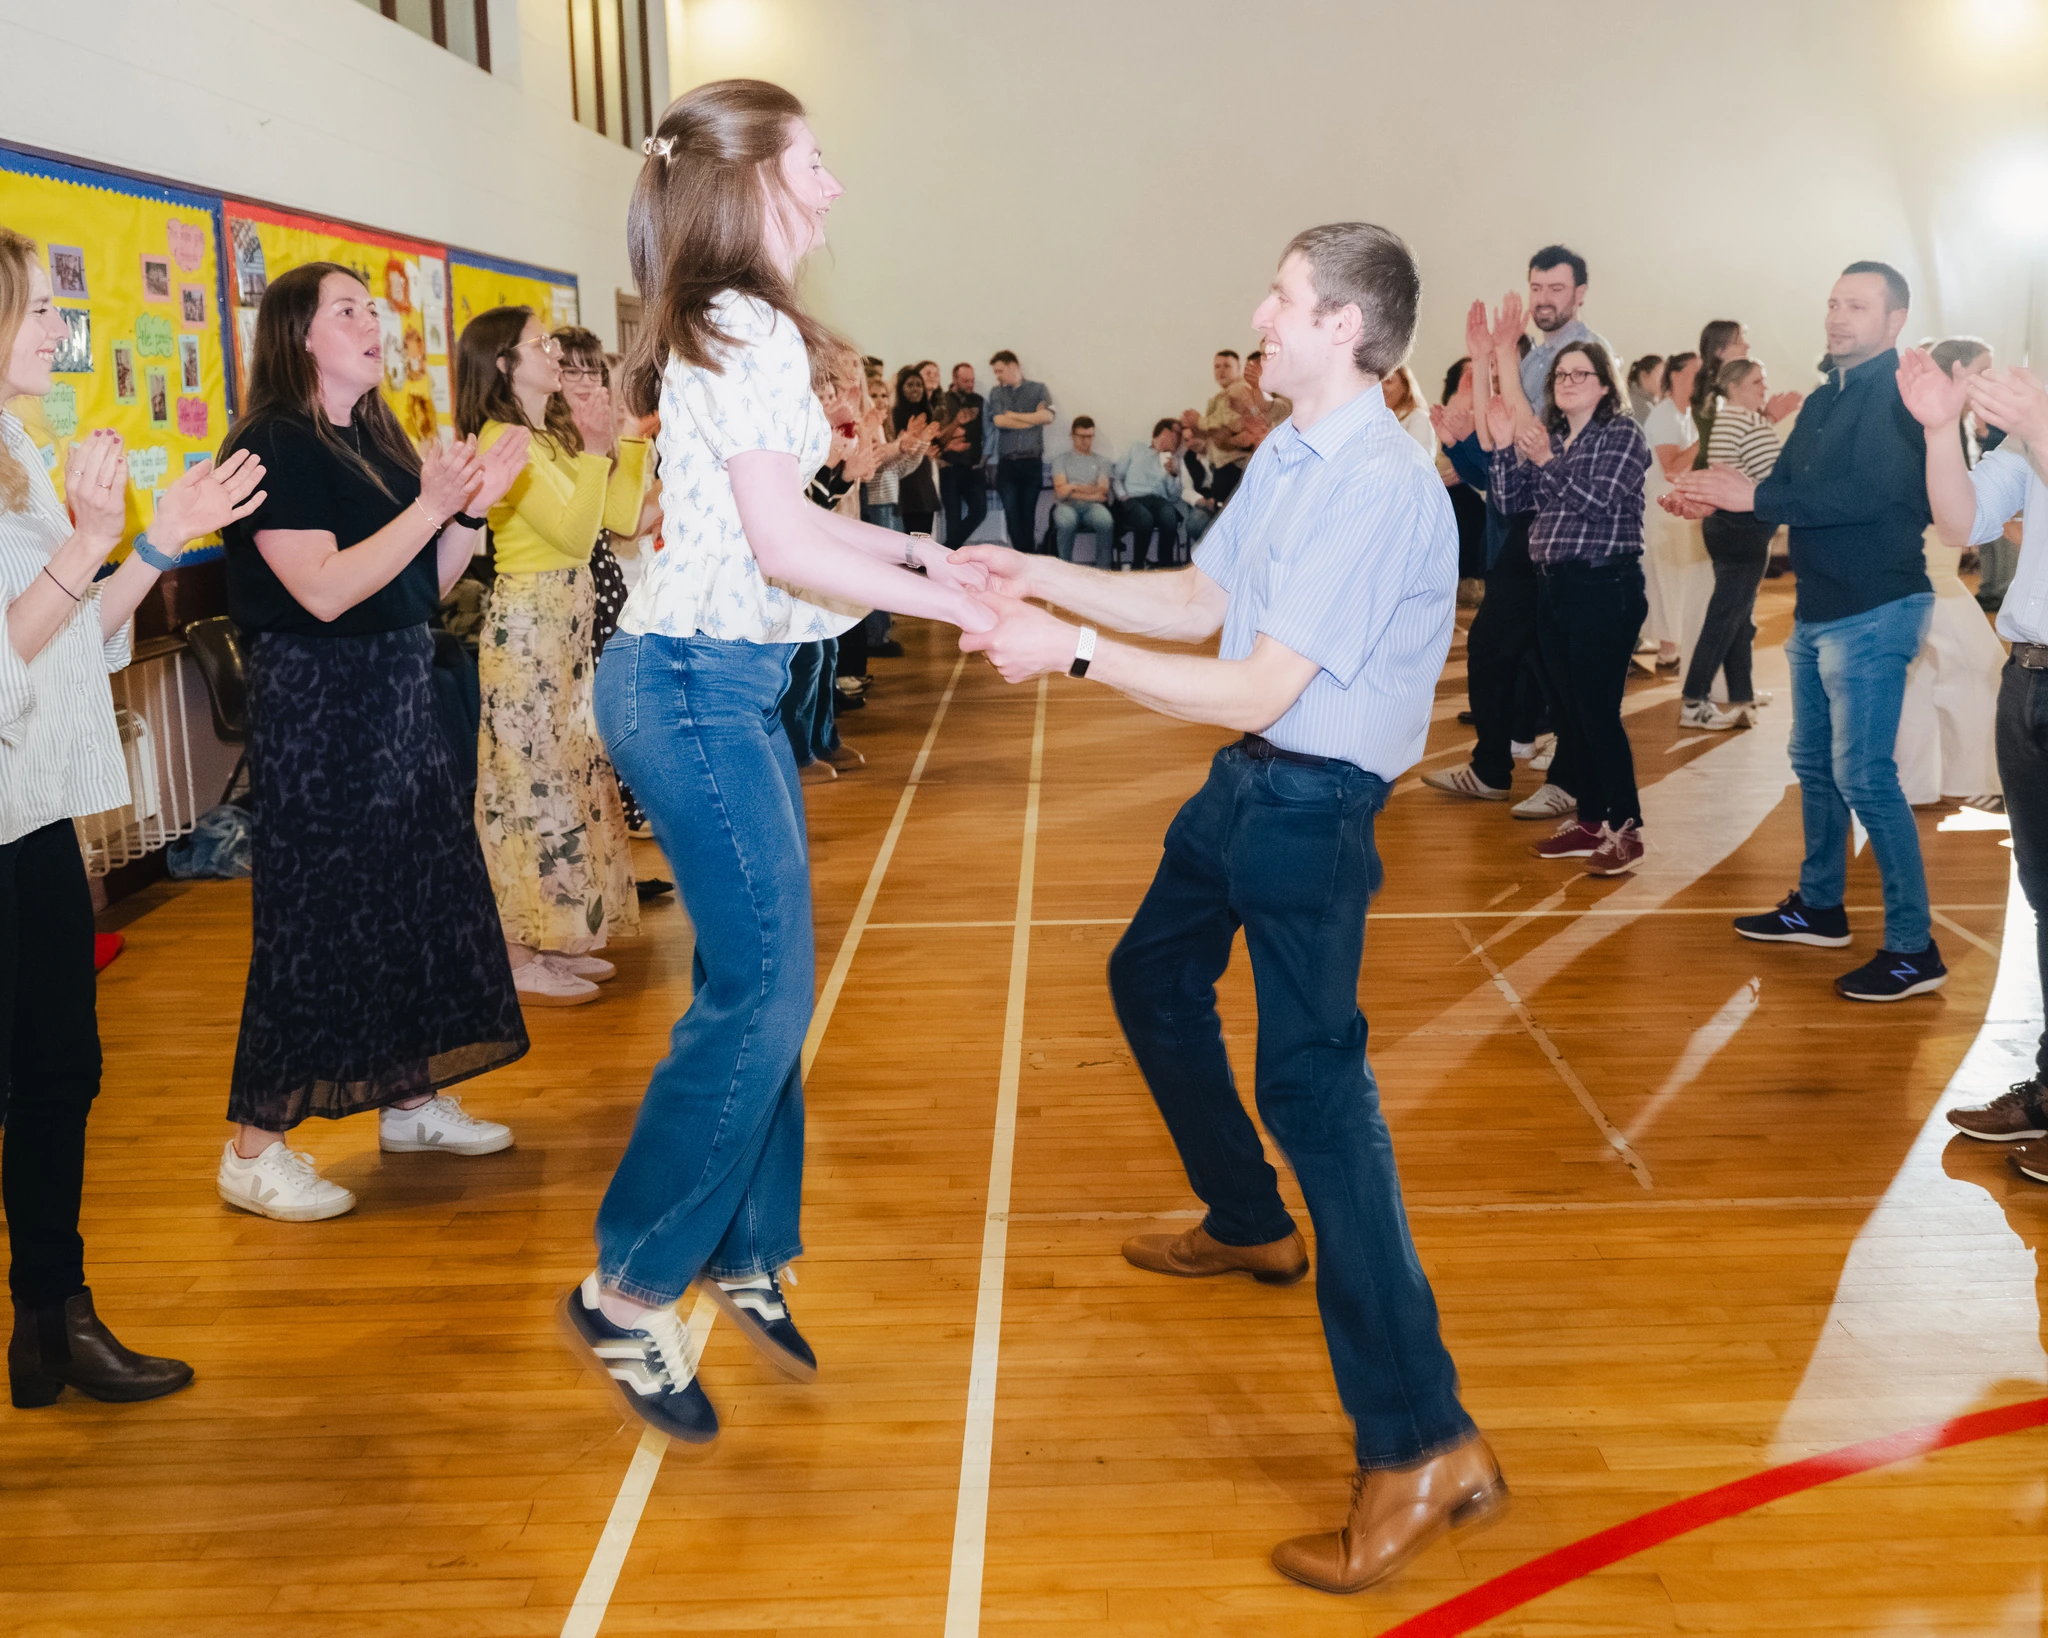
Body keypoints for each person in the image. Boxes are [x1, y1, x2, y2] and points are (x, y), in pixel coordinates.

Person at [957, 220, 1504, 1596]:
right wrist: (1034, 574)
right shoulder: (1287, 455)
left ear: (1345, 329)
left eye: (1283, 299)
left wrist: (1070, 651)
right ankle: (1247, 1220)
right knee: (1152, 975)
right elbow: (1201, 599)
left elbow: (1262, 682)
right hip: (1245, 790)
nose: (1260, 315)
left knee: (1320, 1097)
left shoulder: (1377, 481)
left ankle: (1424, 1439)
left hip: (1311, 808)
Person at [564, 80, 997, 1445]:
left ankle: (744, 1244)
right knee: (760, 992)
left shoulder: (730, 322)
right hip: (690, 689)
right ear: (750, 179)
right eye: (814, 160)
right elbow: (787, 546)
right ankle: (630, 1286)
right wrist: (964, 605)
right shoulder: (742, 324)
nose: (834, 184)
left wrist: (931, 555)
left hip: (705, 685)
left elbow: (791, 527)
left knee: (755, 975)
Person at [2, 224, 264, 1405]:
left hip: (32, 809)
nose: (58, 328)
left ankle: (54, 1320)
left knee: (61, 1069)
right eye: (36, 311)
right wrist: (89, 547)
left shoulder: (15, 448)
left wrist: (152, 543)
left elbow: (69, 649)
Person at [212, 261, 532, 1222]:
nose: (371, 322)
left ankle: (411, 1100)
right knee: (319, 925)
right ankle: (251, 1150)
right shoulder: (273, 442)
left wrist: (467, 508)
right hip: (321, 715)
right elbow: (322, 591)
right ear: (298, 335)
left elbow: (414, 588)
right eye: (346, 309)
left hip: (397, 700)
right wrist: (434, 508)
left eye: (373, 308)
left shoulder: (376, 438)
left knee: (416, 904)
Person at [1673, 262, 1944, 1002]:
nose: (1836, 316)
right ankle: (1821, 906)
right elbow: (1784, 495)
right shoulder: (1826, 399)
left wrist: (1751, 491)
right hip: (1821, 611)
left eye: (1857, 305)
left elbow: (1868, 494)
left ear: (1895, 321)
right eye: (1832, 303)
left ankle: (1913, 948)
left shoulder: (1897, 398)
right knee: (1816, 766)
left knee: (1865, 776)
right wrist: (1714, 500)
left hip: (1876, 607)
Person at [455, 306, 652, 1007]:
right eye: (539, 345)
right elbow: (570, 540)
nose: (554, 353)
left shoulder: (543, 437)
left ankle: (548, 941)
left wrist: (623, 443)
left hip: (565, 632)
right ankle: (513, 953)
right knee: (525, 791)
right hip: (529, 630)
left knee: (565, 782)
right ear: (503, 364)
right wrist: (599, 451)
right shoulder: (501, 439)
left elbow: (619, 519)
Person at [1426, 247, 1616, 819]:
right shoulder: (1536, 361)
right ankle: (1490, 770)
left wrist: (1502, 357)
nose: (1543, 299)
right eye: (1537, 288)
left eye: (1556, 289)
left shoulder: (1586, 355)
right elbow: (1495, 437)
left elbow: (1535, 437)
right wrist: (1486, 360)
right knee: (1494, 646)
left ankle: (1569, 779)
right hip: (1527, 519)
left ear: (1580, 293)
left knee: (1557, 657)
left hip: (1569, 523)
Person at [1921, 358, 2048, 1175]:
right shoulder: (2033, 420)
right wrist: (1940, 430)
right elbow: (1961, 522)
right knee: (2043, 900)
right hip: (2030, 678)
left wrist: (2038, 430)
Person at [1482, 341, 1652, 875]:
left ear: (1605, 385)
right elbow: (1511, 504)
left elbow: (1597, 501)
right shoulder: (1553, 437)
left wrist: (1545, 460)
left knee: (1598, 713)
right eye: (1561, 373)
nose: (1568, 380)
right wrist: (1508, 448)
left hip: (1606, 585)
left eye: (1582, 373)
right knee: (1570, 714)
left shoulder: (1621, 434)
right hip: (1554, 588)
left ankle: (1627, 828)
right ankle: (1589, 822)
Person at [553, 327, 657, 850]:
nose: (587, 382)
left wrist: (631, 441)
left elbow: (618, 514)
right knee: (583, 723)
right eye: (572, 370)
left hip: (606, 582)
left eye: (592, 371)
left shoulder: (588, 440)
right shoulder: (549, 443)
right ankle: (600, 832)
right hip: (570, 589)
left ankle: (618, 823)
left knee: (610, 713)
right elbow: (613, 525)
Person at [1892, 340, 2004, 804]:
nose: (1989, 381)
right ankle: (1970, 781)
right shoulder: (1933, 425)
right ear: (1958, 372)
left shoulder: (1946, 424)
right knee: (1980, 666)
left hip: (1929, 567)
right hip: (1929, 571)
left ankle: (1917, 784)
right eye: (1983, 371)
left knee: (1923, 677)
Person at [1680, 358, 1782, 728]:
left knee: (1737, 617)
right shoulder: (1747, 421)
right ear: (1735, 387)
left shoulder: (1725, 419)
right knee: (1726, 618)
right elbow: (1775, 475)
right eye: (1757, 382)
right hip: (1744, 529)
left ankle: (1741, 697)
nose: (1763, 389)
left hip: (1724, 526)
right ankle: (1693, 700)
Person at [1639, 349, 1703, 673]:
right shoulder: (1664, 413)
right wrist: (1705, 439)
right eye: (1695, 372)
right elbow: (1670, 467)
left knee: (1681, 579)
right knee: (1665, 580)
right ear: (1676, 375)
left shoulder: (1688, 413)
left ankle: (1675, 645)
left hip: (1681, 506)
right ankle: (1667, 651)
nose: (1701, 379)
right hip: (1662, 505)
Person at [987, 349, 1053, 550]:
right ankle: (1025, 557)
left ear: (1013, 366)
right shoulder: (996, 392)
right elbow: (999, 420)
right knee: (1012, 518)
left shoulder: (1039, 389)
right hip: (1007, 465)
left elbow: (1048, 417)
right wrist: (1033, 419)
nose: (997, 376)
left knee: (1028, 516)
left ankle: (1028, 560)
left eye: (1000, 371)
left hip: (1031, 463)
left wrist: (1014, 416)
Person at [1116, 418, 1188, 568]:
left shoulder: (1172, 459)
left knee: (1170, 518)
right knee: (1145, 519)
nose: (1179, 440)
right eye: (1177, 434)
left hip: (1158, 500)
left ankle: (1165, 566)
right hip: (1134, 498)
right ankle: (1137, 566)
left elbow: (1174, 497)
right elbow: (1117, 476)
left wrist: (1173, 475)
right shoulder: (1137, 448)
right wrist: (1123, 497)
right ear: (1165, 432)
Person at [1050, 415, 1118, 566]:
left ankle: (1103, 571)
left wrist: (1072, 487)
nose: (1086, 441)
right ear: (1073, 435)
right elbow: (1060, 493)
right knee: (1067, 522)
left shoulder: (1101, 461)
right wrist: (1089, 491)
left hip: (1092, 507)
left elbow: (1102, 492)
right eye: (1082, 436)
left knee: (1106, 521)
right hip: (1066, 506)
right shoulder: (1061, 460)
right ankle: (1065, 569)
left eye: (1090, 436)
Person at [937, 360, 987, 546]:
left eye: (972, 380)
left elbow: (986, 432)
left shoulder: (979, 401)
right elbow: (938, 437)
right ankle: (950, 560)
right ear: (954, 380)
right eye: (966, 381)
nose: (970, 385)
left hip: (973, 467)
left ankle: (948, 549)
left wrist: (984, 459)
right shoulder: (942, 400)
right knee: (953, 518)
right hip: (949, 468)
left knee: (980, 511)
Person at [889, 363, 942, 536]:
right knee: (906, 539)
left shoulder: (928, 412)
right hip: (903, 481)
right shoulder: (893, 414)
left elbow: (936, 446)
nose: (915, 389)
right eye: (910, 385)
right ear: (900, 388)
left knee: (924, 537)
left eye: (919, 385)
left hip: (924, 480)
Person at [1198, 349, 1257, 505]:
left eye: (1227, 366)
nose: (1221, 371)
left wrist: (1198, 422)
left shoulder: (1238, 390)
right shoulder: (1223, 394)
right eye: (1217, 367)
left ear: (1239, 368)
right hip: (1225, 467)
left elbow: (1222, 422)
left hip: (1234, 466)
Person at [1627, 354, 1664, 423]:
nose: (1664, 380)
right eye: (1660, 375)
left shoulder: (1649, 403)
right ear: (1644, 375)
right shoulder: (1639, 406)